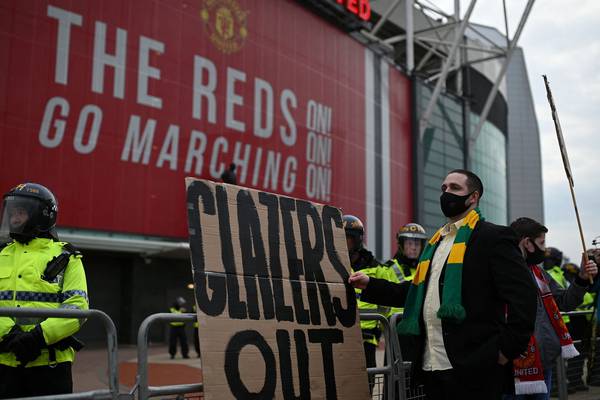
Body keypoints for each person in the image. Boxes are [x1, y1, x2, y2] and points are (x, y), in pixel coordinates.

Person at [349, 169, 538, 400]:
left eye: (455, 188)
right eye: (444, 188)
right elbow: (418, 292)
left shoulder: (494, 237)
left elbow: (524, 297)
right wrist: (370, 284)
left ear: (473, 197)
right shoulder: (436, 243)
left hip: (476, 368)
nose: (447, 193)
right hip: (431, 366)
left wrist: (504, 352)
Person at [0, 183, 88, 398]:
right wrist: (10, 334)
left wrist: (38, 337)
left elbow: (78, 308)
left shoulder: (67, 257)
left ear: (42, 216)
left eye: (21, 212)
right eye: (12, 212)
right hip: (4, 360)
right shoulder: (1, 255)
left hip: (50, 362)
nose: (14, 218)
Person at [503, 217, 597, 399]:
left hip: (544, 364)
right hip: (512, 370)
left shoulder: (539, 273)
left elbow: (564, 301)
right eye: (542, 243)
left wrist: (582, 278)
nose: (545, 249)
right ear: (526, 243)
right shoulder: (502, 272)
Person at [343, 214, 400, 393]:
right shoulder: (329, 264)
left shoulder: (377, 268)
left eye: (349, 238)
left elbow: (390, 299)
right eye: (341, 237)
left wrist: (380, 326)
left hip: (367, 336)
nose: (345, 242)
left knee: (366, 382)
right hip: (338, 333)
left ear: (358, 240)